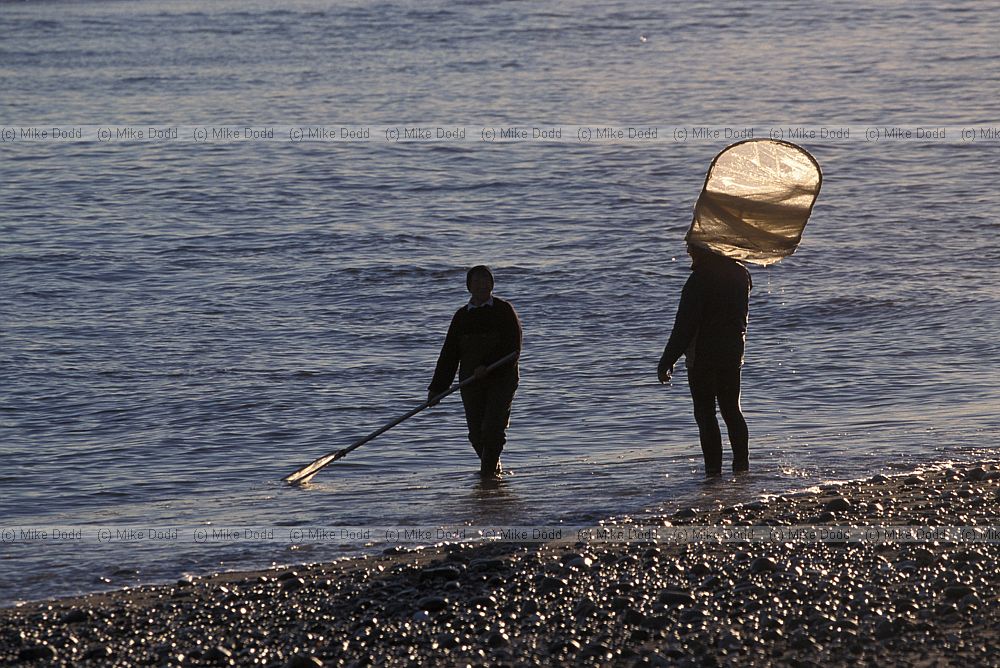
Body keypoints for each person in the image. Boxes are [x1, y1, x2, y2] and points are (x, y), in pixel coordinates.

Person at [658, 244, 752, 476]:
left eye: (691, 246)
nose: (688, 251)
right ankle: (742, 469)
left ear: (705, 247)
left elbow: (684, 326)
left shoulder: (699, 280)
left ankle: (713, 474)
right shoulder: (741, 274)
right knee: (732, 410)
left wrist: (668, 359)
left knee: (705, 413)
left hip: (703, 356)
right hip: (733, 352)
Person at [428, 266, 522, 478]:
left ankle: (487, 477)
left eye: (486, 280)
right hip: (471, 381)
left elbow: (513, 347)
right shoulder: (462, 316)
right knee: (476, 434)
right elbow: (449, 355)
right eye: (477, 281)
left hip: (502, 378)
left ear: (492, 284)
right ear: (469, 287)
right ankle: (494, 471)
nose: (482, 285)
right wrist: (437, 389)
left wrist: (488, 366)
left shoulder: (503, 310)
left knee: (492, 428)